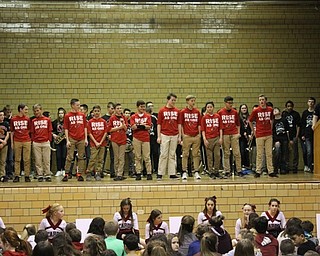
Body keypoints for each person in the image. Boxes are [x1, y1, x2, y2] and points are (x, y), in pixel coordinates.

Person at [249, 94, 277, 178]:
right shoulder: (256, 111)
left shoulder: (270, 109)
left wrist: (270, 129)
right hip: (259, 134)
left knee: (269, 153)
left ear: (266, 101)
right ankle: (258, 170)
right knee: (259, 154)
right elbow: (250, 121)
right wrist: (254, 131)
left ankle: (270, 171)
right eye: (260, 100)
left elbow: (272, 119)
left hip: (268, 134)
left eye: (263, 99)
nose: (261, 101)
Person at [157, 93, 181, 180]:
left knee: (172, 154)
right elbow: (159, 124)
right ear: (168, 100)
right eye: (172, 100)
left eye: (175, 100)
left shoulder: (177, 111)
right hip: (164, 134)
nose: (174, 102)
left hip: (174, 135)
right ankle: (160, 173)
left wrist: (179, 136)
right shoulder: (162, 111)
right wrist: (159, 136)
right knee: (163, 154)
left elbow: (179, 124)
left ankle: (172, 173)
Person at [62, 98, 88, 182]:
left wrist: (86, 138)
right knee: (69, 157)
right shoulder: (67, 116)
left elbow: (85, 127)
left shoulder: (82, 115)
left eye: (79, 105)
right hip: (72, 138)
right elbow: (66, 128)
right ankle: (66, 173)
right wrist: (67, 140)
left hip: (81, 138)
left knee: (81, 157)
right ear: (72, 105)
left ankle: (79, 174)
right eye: (77, 105)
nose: (79, 107)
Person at [180, 95, 202, 180]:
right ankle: (184, 171)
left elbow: (199, 124)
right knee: (185, 154)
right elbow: (181, 124)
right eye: (192, 101)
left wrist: (199, 134)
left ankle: (196, 171)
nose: (193, 102)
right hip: (187, 136)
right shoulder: (183, 112)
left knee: (196, 154)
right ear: (187, 101)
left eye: (194, 101)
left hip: (196, 135)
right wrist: (183, 135)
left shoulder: (197, 111)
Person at [130, 100, 153, 181]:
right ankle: (138, 173)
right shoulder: (133, 117)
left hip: (146, 138)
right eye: (141, 107)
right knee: (138, 157)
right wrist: (142, 126)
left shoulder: (147, 116)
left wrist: (139, 126)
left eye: (144, 107)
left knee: (147, 157)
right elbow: (133, 127)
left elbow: (149, 126)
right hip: (136, 138)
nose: (143, 108)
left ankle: (149, 173)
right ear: (137, 107)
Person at [30, 104, 53, 182]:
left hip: (45, 142)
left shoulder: (47, 120)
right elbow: (32, 132)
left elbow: (50, 131)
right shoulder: (33, 121)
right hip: (36, 143)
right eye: (35, 111)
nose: (36, 112)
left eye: (38, 110)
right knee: (38, 160)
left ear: (41, 110)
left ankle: (47, 174)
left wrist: (49, 140)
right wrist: (33, 140)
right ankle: (40, 175)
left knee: (46, 159)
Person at [201, 101, 223, 179]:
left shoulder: (217, 116)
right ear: (206, 108)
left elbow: (220, 128)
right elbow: (203, 129)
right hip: (208, 138)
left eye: (211, 107)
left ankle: (216, 171)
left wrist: (221, 138)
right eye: (208, 107)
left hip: (216, 138)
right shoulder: (204, 118)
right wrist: (204, 139)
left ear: (213, 107)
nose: (209, 108)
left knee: (217, 155)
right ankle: (210, 171)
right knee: (209, 156)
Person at [10, 103, 31, 182]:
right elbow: (12, 132)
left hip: (26, 140)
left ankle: (27, 175)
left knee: (27, 159)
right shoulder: (13, 119)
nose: (27, 111)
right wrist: (12, 143)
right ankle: (17, 175)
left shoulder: (27, 119)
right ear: (20, 109)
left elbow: (29, 129)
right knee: (17, 159)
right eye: (25, 109)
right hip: (17, 141)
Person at [86, 105, 108, 181]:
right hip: (93, 143)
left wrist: (101, 142)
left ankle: (98, 173)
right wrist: (95, 142)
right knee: (92, 159)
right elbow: (89, 133)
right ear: (93, 112)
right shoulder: (90, 122)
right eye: (95, 111)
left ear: (100, 111)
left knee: (100, 159)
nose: (97, 113)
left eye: (98, 111)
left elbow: (105, 132)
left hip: (102, 143)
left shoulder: (103, 121)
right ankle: (89, 172)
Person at [107, 103, 128, 181]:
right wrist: (119, 127)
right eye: (118, 108)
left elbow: (126, 129)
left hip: (123, 139)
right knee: (116, 157)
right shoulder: (112, 118)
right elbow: (109, 129)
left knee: (121, 157)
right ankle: (116, 173)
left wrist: (123, 124)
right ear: (115, 109)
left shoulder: (124, 118)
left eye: (120, 108)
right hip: (115, 139)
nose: (119, 110)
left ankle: (120, 174)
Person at [282, 100, 301, 173]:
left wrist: (296, 136)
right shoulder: (284, 114)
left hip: (294, 135)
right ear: (286, 107)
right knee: (286, 151)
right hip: (286, 136)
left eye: (290, 106)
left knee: (295, 152)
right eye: (288, 106)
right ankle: (286, 166)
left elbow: (298, 126)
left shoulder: (296, 114)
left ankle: (294, 167)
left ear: (293, 106)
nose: (289, 107)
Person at [272, 107, 290, 174]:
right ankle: (275, 168)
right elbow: (272, 131)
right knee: (277, 153)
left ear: (279, 112)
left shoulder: (284, 120)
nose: (275, 111)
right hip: (277, 139)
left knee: (284, 154)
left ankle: (283, 168)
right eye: (274, 110)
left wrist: (289, 140)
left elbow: (287, 130)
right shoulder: (273, 121)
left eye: (276, 110)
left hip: (284, 138)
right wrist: (275, 140)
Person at [300, 97, 316, 173]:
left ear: (314, 103)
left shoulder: (316, 112)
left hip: (315, 134)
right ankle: (309, 166)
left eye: (312, 102)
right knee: (308, 151)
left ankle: (313, 165)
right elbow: (302, 124)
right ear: (307, 103)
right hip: (307, 134)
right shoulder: (305, 113)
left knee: (314, 151)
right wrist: (302, 134)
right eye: (309, 101)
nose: (311, 103)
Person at [102, 102, 116, 178]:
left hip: (113, 139)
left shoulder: (115, 118)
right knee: (102, 156)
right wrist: (107, 135)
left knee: (113, 156)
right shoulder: (103, 118)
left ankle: (113, 172)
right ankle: (100, 171)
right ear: (108, 108)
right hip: (105, 139)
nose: (113, 110)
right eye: (111, 108)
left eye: (114, 108)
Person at [52, 107, 67, 177]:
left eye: (62, 113)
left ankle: (63, 170)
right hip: (58, 141)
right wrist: (54, 135)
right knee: (58, 156)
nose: (61, 115)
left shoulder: (66, 122)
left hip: (64, 141)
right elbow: (51, 131)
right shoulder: (55, 122)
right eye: (59, 113)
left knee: (64, 156)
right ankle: (58, 170)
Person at [146, 101, 159, 175]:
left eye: (152, 106)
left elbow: (157, 127)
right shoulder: (144, 117)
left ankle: (156, 169)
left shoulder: (155, 117)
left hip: (154, 138)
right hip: (147, 138)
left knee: (155, 153)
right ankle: (148, 170)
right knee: (147, 155)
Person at [238, 104, 252, 170]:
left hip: (249, 136)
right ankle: (242, 164)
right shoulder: (238, 117)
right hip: (241, 137)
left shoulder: (249, 117)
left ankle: (248, 164)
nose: (244, 109)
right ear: (240, 109)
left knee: (248, 151)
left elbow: (250, 126)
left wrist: (249, 134)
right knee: (242, 151)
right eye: (242, 108)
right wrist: (243, 133)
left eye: (245, 108)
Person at [123, 108, 135, 177]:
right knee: (123, 158)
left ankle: (132, 172)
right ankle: (123, 172)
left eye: (129, 113)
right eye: (126, 113)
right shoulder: (122, 122)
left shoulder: (131, 122)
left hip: (131, 142)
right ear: (124, 114)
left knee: (132, 158)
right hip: (123, 142)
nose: (127, 115)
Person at [0, 109, 10, 182]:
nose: (2, 117)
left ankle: (2, 175)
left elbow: (8, 134)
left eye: (3, 115)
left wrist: (5, 141)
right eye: (0, 115)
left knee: (3, 161)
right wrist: (1, 141)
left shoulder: (6, 124)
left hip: (4, 144)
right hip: (1, 142)